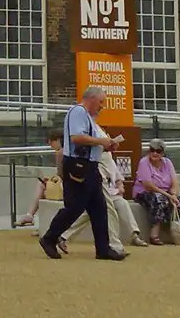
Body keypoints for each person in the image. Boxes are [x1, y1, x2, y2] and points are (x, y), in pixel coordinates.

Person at [39, 86, 127, 261]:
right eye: (101, 102)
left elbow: (87, 142)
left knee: (99, 208)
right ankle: (49, 238)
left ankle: (103, 249)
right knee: (75, 207)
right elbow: (76, 138)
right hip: (78, 165)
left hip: (90, 165)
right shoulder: (78, 112)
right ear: (91, 98)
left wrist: (105, 145)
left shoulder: (88, 117)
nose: (102, 106)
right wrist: (102, 141)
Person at [65, 134, 148, 252]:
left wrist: (120, 186)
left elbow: (117, 176)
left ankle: (134, 235)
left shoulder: (108, 157)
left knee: (122, 204)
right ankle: (114, 245)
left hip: (111, 193)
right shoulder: (93, 157)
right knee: (104, 211)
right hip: (98, 190)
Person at [132, 138, 180, 245]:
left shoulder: (167, 163)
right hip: (144, 192)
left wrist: (174, 195)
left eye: (158, 151)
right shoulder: (144, 162)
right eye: (152, 150)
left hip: (165, 192)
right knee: (159, 200)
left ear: (163, 153)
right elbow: (148, 185)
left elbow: (174, 182)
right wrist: (168, 195)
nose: (154, 153)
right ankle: (154, 235)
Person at [17, 130, 65, 227]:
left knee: (41, 185)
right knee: (44, 185)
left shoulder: (60, 153)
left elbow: (61, 174)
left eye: (51, 143)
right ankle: (31, 216)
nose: (51, 146)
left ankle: (30, 215)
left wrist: (51, 180)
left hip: (68, 185)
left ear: (58, 140)